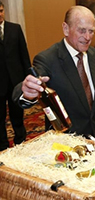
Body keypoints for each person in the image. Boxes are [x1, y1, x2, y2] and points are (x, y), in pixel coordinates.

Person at [12, 6, 95, 142]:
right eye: (81, 30)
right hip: (65, 143)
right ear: (66, 29)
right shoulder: (48, 59)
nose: (87, 37)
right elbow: (27, 85)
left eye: (91, 31)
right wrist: (27, 91)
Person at [0, 1, 31, 151]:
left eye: (0, 11)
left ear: (3, 11)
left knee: (17, 114)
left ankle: (20, 141)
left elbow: (24, 55)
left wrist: (28, 77)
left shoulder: (15, 28)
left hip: (16, 81)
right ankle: (3, 145)